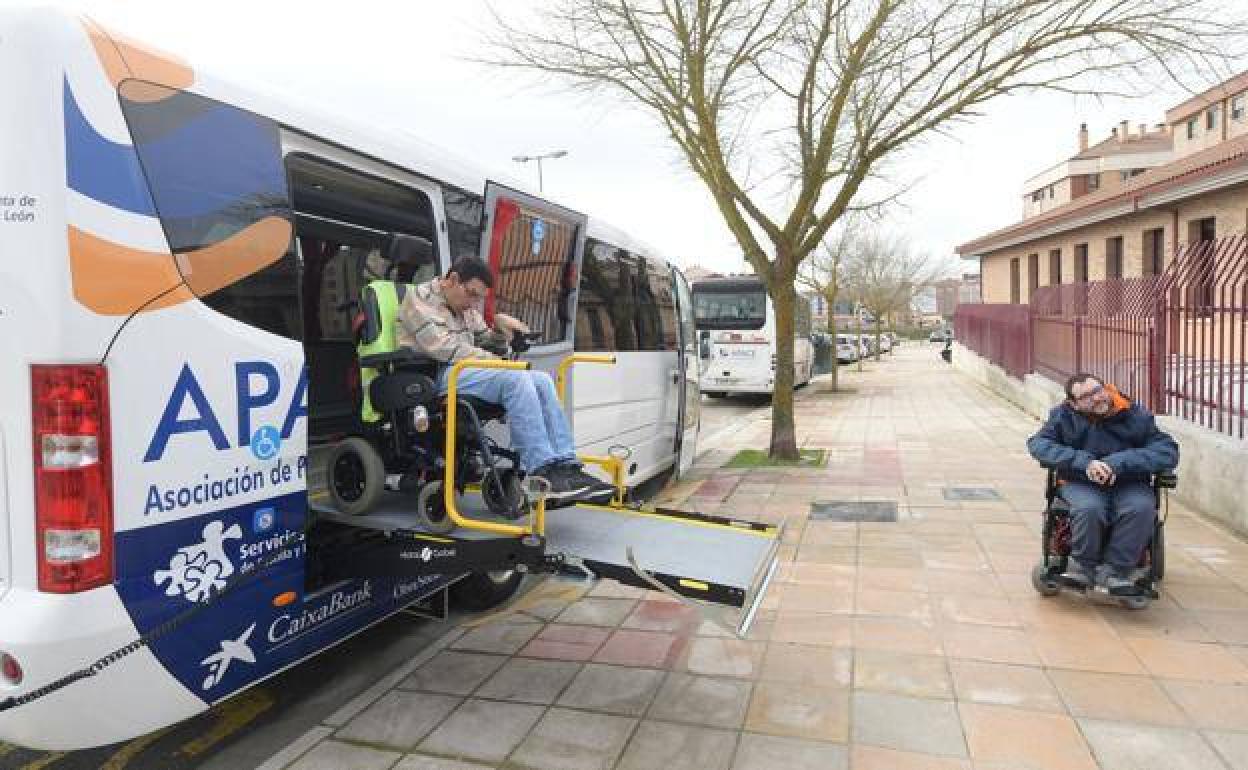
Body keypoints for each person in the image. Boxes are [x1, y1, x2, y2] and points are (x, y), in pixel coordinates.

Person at [397, 255, 615, 503]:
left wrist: (500, 328)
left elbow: (485, 340)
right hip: (434, 374)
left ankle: (566, 467)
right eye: (472, 294)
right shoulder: (419, 300)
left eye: (479, 297)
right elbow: (445, 349)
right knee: (515, 378)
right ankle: (542, 470)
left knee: (542, 379)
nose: (473, 304)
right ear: (453, 280)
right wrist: (499, 363)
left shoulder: (463, 306)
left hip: (465, 370)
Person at [1026, 373, 1178, 594]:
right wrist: (1084, 463)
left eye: (1097, 390)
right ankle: (1082, 568)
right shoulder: (1062, 417)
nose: (1096, 398)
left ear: (1105, 388)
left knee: (1141, 507)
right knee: (1090, 508)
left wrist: (1118, 463)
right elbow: (1038, 444)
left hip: (1129, 482)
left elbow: (1167, 451)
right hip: (1080, 482)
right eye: (1086, 396)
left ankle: (1116, 571)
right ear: (1074, 404)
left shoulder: (1134, 415)